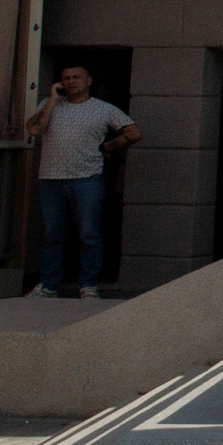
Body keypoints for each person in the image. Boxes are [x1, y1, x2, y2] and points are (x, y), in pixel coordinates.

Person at [25, 64, 140, 299]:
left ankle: (88, 284)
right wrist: (52, 100)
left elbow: (134, 132)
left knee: (88, 234)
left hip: (86, 179)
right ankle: (48, 285)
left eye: (76, 77)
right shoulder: (50, 106)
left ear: (88, 81)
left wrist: (110, 145)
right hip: (51, 179)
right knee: (51, 235)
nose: (70, 82)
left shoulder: (103, 109)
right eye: (65, 78)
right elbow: (35, 129)